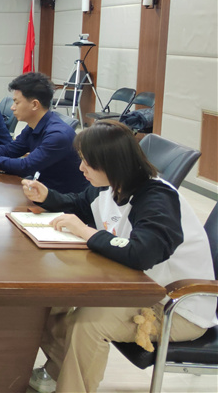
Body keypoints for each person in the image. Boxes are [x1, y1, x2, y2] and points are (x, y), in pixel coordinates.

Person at [22, 120, 216, 393]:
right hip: (139, 290)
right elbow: (80, 204)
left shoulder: (157, 198)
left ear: (111, 163)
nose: (81, 168)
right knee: (51, 302)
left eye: (87, 163)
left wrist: (86, 232)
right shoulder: (112, 185)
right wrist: (47, 197)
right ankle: (58, 373)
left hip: (176, 306)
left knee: (88, 323)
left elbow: (142, 253)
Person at [0, 72, 88, 193]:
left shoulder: (57, 135)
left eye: (17, 102)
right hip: (41, 189)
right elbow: (10, 150)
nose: (12, 107)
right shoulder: (34, 126)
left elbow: (25, 166)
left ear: (35, 105)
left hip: (62, 199)